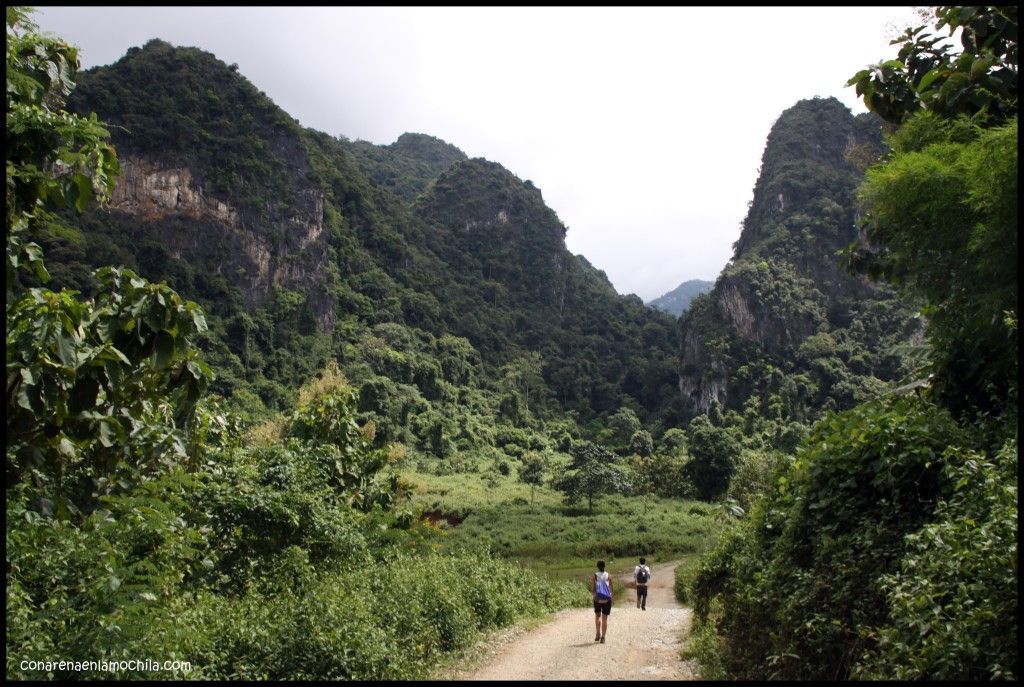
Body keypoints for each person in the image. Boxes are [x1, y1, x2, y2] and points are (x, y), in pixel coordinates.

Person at [590, 559, 613, 643]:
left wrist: (594, 594)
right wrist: (612, 599)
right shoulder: (609, 575)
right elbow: (611, 588)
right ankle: (603, 637)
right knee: (605, 619)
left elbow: (592, 589)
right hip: (607, 599)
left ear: (597, 567)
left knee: (597, 616)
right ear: (604, 566)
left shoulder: (594, 576)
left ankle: (597, 633)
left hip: (597, 599)